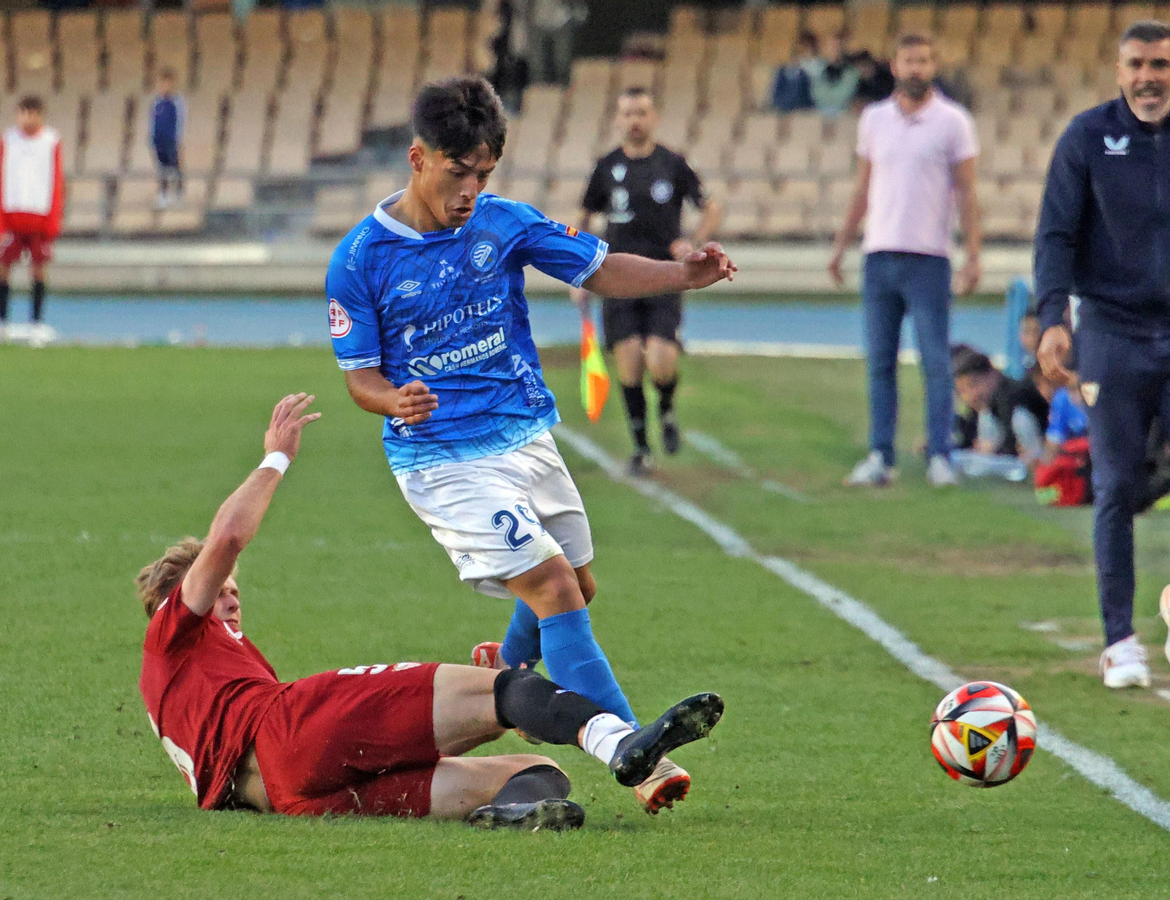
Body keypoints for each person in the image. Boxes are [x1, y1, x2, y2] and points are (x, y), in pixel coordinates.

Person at [325, 76, 736, 813]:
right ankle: (635, 753)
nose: (472, 190)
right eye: (459, 173)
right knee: (551, 588)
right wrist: (393, 398)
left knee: (577, 588)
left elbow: (598, 264)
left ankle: (505, 668)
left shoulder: (502, 222)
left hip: (524, 434)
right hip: (444, 458)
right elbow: (359, 376)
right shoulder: (361, 259)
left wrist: (685, 275)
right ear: (419, 158)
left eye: (484, 174)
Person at [138, 392, 725, 829]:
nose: (232, 595)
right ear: (177, 600)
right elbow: (226, 540)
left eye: (233, 589)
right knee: (500, 689)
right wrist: (275, 460)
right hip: (292, 729)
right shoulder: (174, 633)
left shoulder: (191, 680)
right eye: (219, 591)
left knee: (536, 775)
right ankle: (625, 749)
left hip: (292, 794)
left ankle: (512, 815)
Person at [1034, 20, 1170, 689]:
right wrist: (1053, 317)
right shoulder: (1086, 138)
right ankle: (1120, 640)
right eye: (1136, 64)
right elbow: (1056, 235)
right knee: (1116, 487)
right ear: (1119, 68)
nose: (1148, 77)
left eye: (1160, 63)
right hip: (1112, 334)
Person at [830, 33, 982, 488]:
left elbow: (967, 192)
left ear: (933, 67)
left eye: (923, 61)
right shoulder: (874, 119)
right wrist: (841, 244)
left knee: (935, 360)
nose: (915, 68)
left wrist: (973, 253)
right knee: (880, 360)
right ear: (894, 66)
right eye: (908, 61)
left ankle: (940, 454)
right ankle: (881, 454)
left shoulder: (953, 121)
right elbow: (863, 187)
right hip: (879, 254)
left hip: (929, 257)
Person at [574, 85, 725, 474]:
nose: (635, 120)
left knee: (660, 360)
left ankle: (668, 408)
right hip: (616, 276)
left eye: (641, 112)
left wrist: (691, 242)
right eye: (628, 113)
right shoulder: (606, 167)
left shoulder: (672, 163)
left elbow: (711, 206)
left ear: (653, 117)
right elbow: (583, 217)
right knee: (628, 364)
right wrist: (576, 275)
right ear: (618, 118)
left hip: (664, 276)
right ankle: (641, 447)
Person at [0, 96, 66, 342]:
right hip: (12, 215)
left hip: (39, 216)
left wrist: (53, 221)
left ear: (41, 115)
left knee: (38, 270)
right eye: (23, 113)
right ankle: (2, 324)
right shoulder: (8, 140)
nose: (27, 118)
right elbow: (0, 179)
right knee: (3, 269)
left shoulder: (51, 141)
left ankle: (35, 324)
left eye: (32, 113)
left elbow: (56, 182)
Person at [950, 349, 1048, 479]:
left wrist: (990, 451)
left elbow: (1010, 445)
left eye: (974, 384)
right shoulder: (987, 403)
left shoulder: (1009, 396)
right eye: (962, 391)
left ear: (993, 375)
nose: (971, 396)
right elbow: (971, 434)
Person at [150, 69, 186, 208]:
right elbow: (152, 121)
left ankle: (178, 194)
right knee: (162, 168)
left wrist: (178, 139)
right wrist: (152, 138)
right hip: (159, 140)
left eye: (167, 83)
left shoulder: (178, 102)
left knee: (175, 167)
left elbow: (181, 121)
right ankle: (163, 195)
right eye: (162, 83)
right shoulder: (156, 103)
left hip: (172, 140)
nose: (164, 86)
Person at [807, 33, 859, 117]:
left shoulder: (851, 72)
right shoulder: (815, 69)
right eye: (832, 47)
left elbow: (846, 93)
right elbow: (816, 91)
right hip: (818, 111)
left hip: (842, 112)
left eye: (838, 47)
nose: (835, 50)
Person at [768, 32, 818, 113]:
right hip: (785, 103)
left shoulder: (816, 65)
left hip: (804, 103)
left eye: (807, 47)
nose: (804, 50)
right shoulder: (784, 69)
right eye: (802, 47)